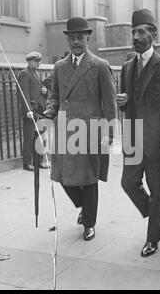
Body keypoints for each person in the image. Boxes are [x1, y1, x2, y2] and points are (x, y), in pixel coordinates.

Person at [44, 17, 116, 241]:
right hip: (66, 130)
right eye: (72, 38)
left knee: (89, 178)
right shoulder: (59, 67)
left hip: (91, 130)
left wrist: (109, 132)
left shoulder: (100, 66)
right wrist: (49, 111)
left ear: (88, 38)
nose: (76, 42)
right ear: (68, 40)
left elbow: (110, 102)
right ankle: (84, 207)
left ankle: (89, 223)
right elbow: (55, 96)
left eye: (80, 37)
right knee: (63, 176)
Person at [116, 9, 160, 257]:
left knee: (158, 191)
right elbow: (128, 104)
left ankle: (153, 238)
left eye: (141, 31)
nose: (136, 36)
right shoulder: (127, 67)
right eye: (134, 32)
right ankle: (152, 211)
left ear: (153, 34)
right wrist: (123, 103)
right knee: (127, 182)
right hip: (134, 140)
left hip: (157, 143)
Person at [17, 52, 48, 171]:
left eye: (39, 61)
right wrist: (27, 110)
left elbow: (39, 93)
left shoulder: (37, 74)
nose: (38, 63)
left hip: (39, 111)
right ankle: (27, 163)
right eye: (36, 61)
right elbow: (23, 93)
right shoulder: (25, 74)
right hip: (31, 112)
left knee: (40, 137)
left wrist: (44, 92)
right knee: (29, 137)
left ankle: (38, 162)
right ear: (29, 62)